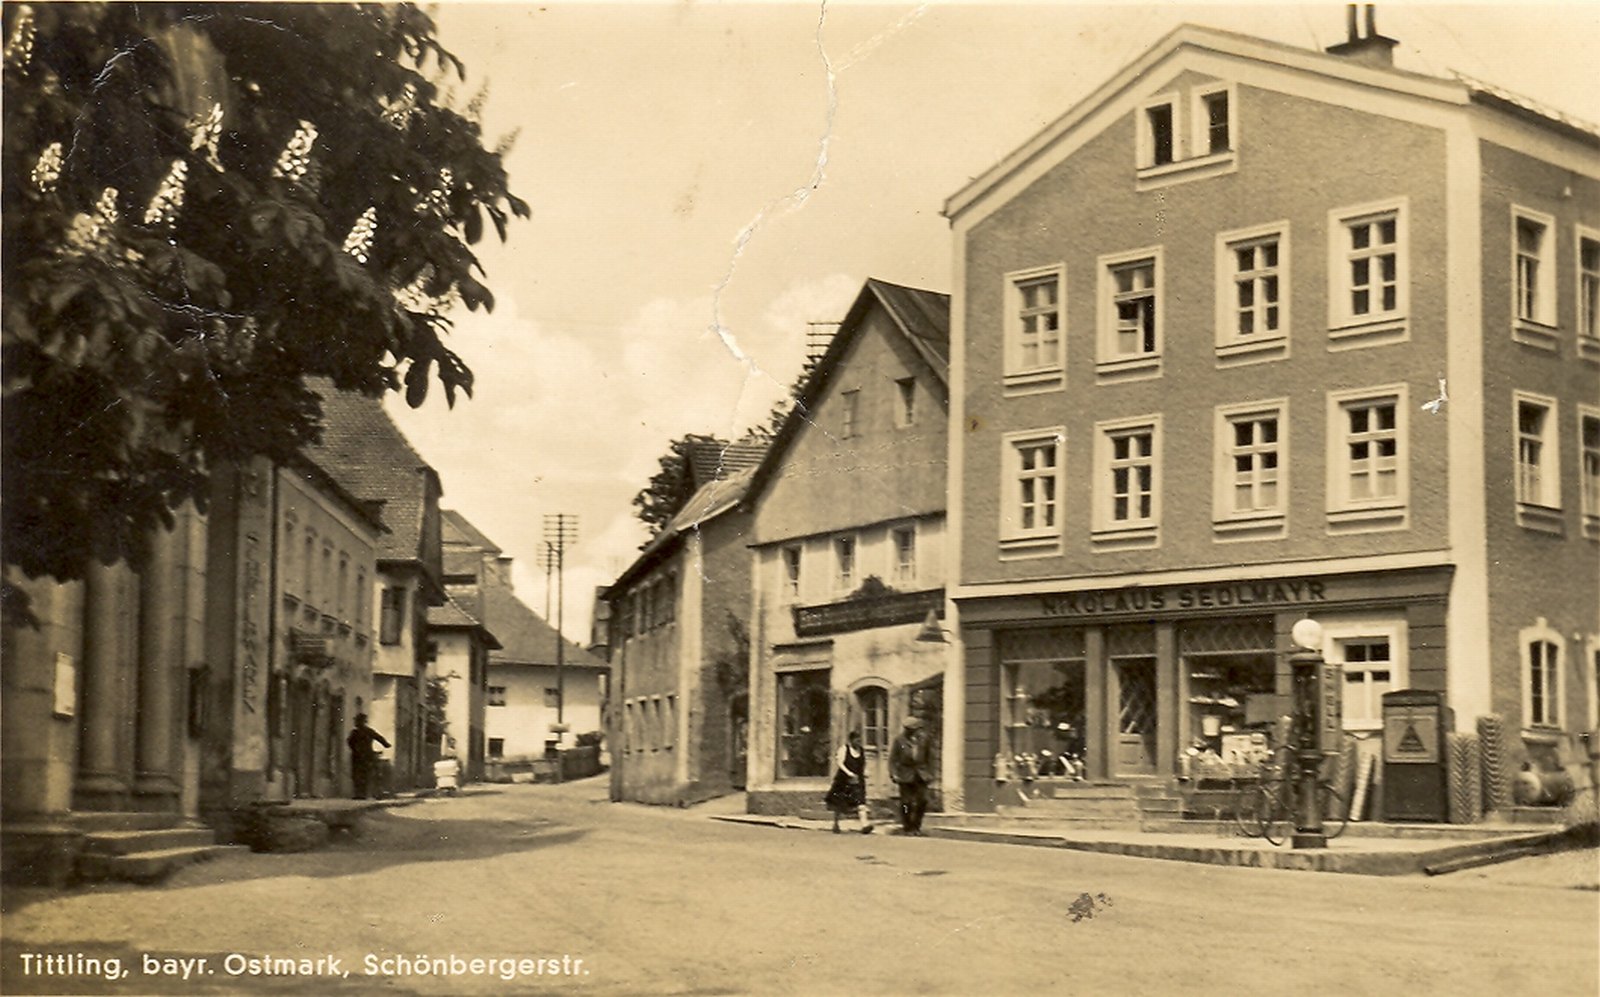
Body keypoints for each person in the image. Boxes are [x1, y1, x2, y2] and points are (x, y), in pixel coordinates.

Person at [890, 715, 933, 836]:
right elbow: (893, 759)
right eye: (912, 729)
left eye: (916, 728)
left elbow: (930, 757)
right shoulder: (899, 740)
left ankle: (916, 826)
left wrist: (930, 773)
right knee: (906, 802)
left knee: (923, 800)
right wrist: (893, 774)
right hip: (905, 775)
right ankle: (907, 827)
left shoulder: (924, 739)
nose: (915, 731)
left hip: (921, 774)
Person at [823, 730, 873, 834]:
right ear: (851, 740)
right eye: (856, 740)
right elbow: (840, 763)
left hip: (857, 780)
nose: (858, 743)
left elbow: (863, 764)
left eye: (860, 740)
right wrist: (848, 773)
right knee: (839, 803)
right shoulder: (844, 749)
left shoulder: (861, 751)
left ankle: (865, 825)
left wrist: (865, 772)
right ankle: (836, 823)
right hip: (843, 780)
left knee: (860, 801)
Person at [347, 713, 391, 799]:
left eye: (358, 721)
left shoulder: (356, 732)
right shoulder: (365, 731)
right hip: (365, 755)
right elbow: (379, 738)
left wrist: (355, 750)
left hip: (359, 756)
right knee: (362, 775)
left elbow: (349, 742)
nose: (356, 723)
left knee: (359, 775)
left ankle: (360, 794)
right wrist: (386, 744)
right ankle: (361, 794)